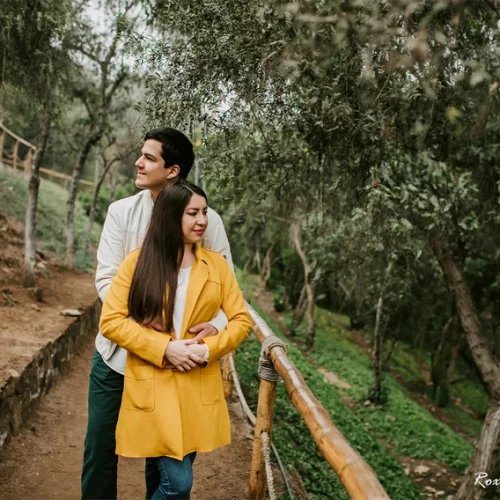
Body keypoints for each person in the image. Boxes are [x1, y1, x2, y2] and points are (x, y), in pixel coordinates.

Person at [81, 128, 233, 500]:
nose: (138, 161)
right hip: (117, 356)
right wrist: (138, 319)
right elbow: (106, 278)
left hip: (178, 366)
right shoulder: (122, 212)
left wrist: (214, 326)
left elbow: (227, 290)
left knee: (165, 457)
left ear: (172, 170)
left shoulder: (206, 220)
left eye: (149, 157)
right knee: (100, 446)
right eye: (141, 154)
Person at [99, 181, 251, 499]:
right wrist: (165, 348)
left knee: (163, 476)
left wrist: (207, 349)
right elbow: (111, 322)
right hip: (156, 384)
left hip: (198, 385)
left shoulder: (218, 266)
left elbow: (241, 320)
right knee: (178, 484)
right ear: (170, 216)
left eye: (204, 212)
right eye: (192, 213)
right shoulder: (137, 264)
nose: (202, 221)